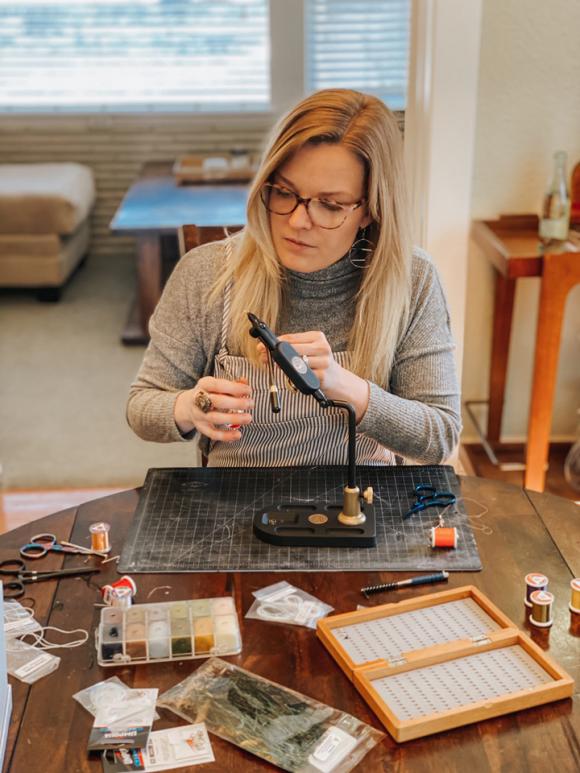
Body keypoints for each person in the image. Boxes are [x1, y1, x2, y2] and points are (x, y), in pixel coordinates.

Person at [127, 89, 461, 467]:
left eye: (330, 205)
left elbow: (440, 437)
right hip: (236, 491)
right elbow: (142, 406)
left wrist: (343, 385)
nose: (298, 221)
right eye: (284, 193)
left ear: (370, 209)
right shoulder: (207, 273)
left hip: (363, 493)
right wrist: (191, 406)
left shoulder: (412, 280)